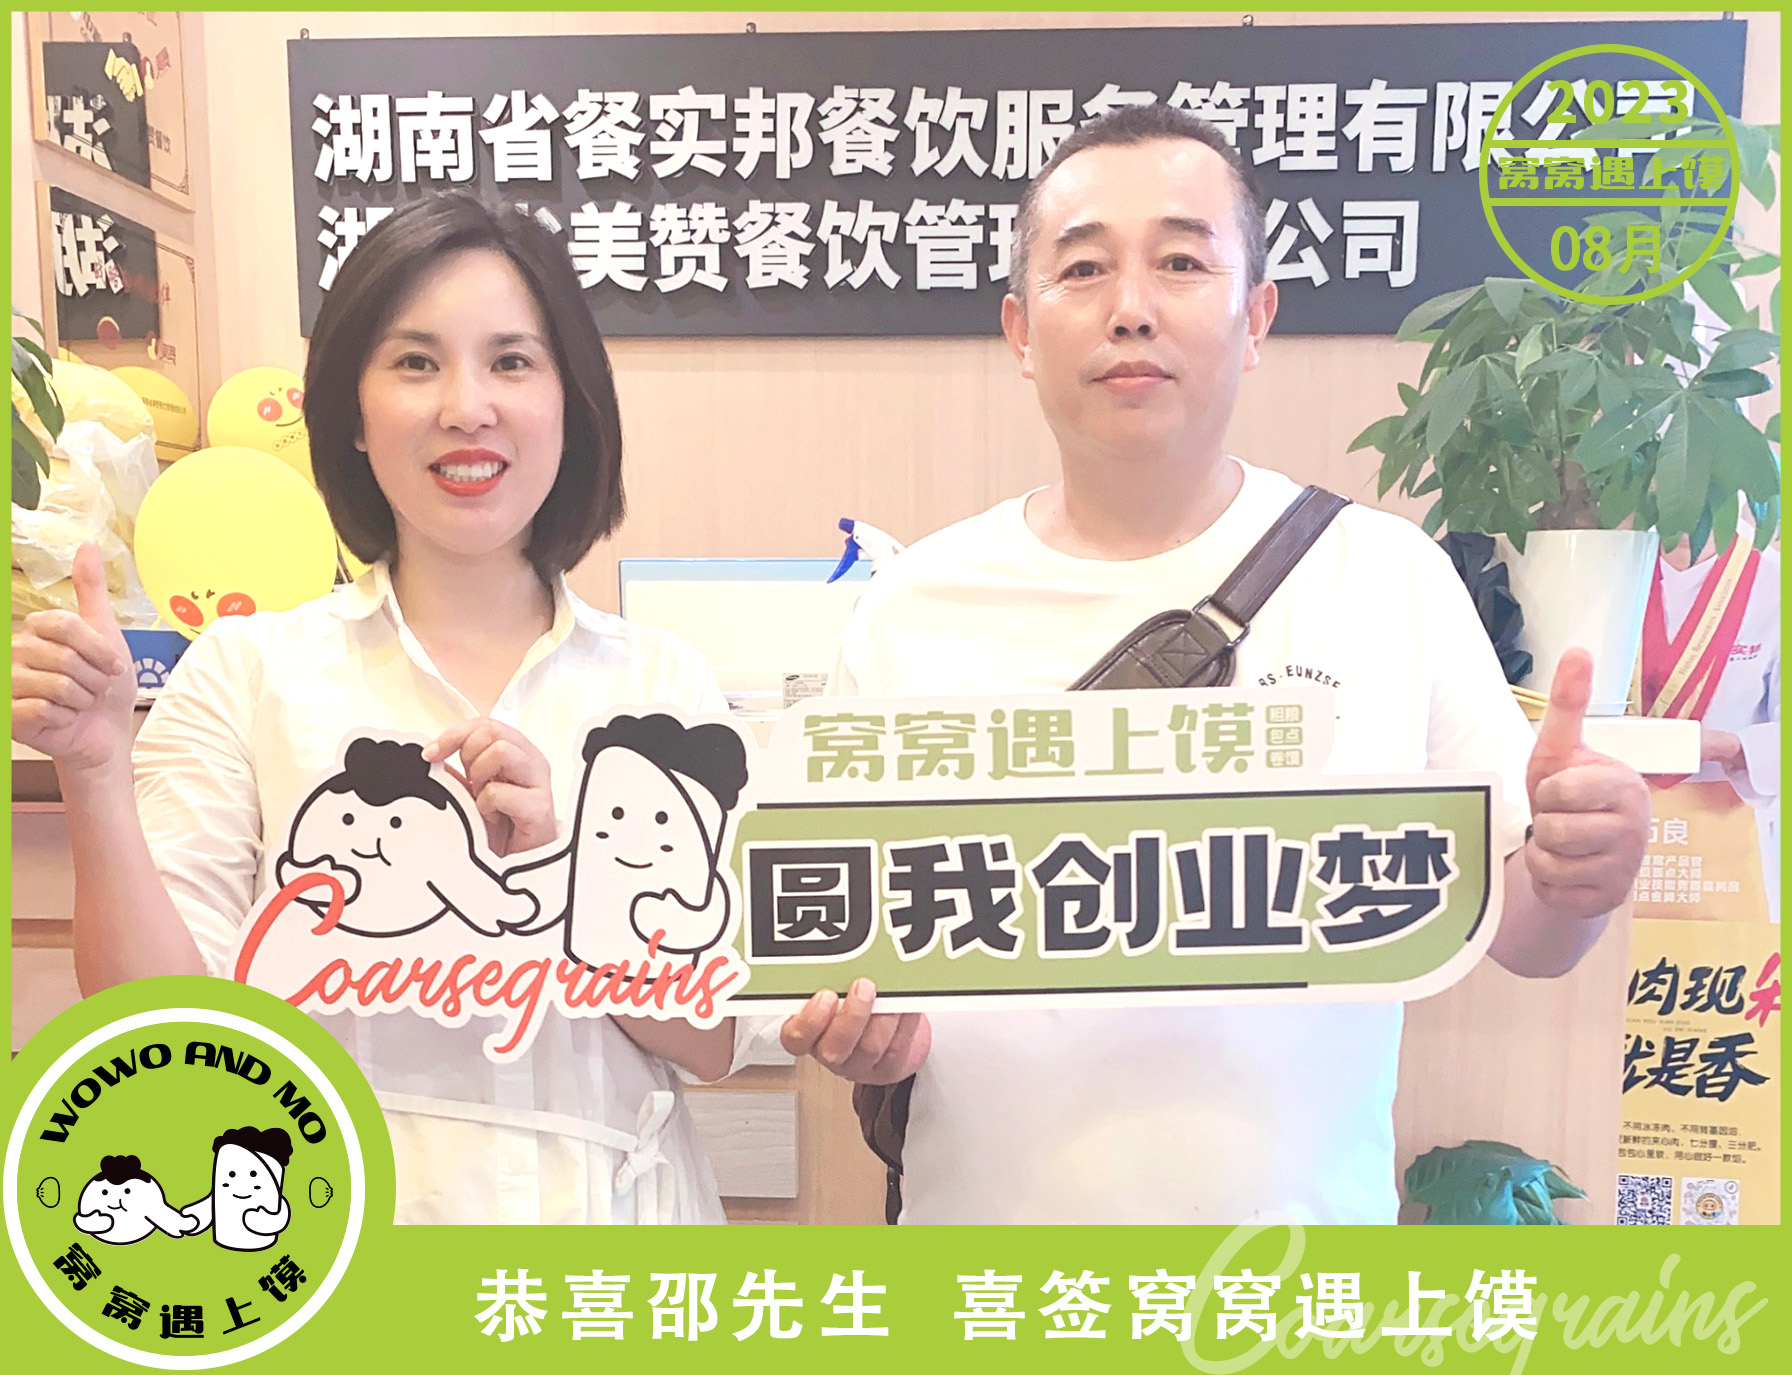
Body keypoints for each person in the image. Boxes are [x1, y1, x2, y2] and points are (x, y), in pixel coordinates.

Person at [779, 105, 1652, 1224]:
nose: (1130, 308)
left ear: (1256, 318)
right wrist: (861, 1032)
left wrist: (1581, 872)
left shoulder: (1384, 577)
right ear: (1020, 331)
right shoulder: (912, 607)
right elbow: (855, 945)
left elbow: (1524, 933)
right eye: (1082, 267)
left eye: (1183, 262)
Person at [12, 194, 753, 1224]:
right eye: (415, 362)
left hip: (615, 1252)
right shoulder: (249, 675)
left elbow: (716, 1040)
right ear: (352, 416)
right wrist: (93, 770)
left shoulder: (664, 689)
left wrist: (566, 879)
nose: (466, 406)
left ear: (571, 402)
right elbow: (162, 1023)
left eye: (511, 361)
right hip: (348, 1247)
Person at [1647, 529, 1780, 919]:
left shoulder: (1774, 582)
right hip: (1617, 821)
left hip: (1731, 838)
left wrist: (1732, 747)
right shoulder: (1606, 567)